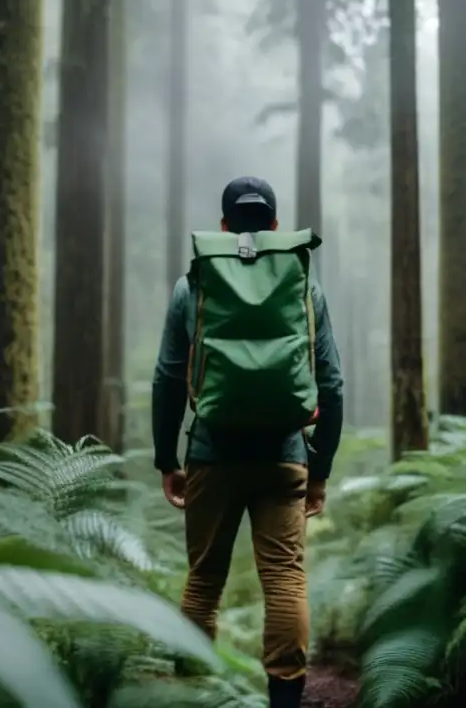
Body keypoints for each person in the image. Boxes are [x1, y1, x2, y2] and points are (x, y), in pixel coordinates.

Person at [151, 176, 344, 708]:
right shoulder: (305, 286)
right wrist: (319, 467)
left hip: (212, 452)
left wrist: (167, 456)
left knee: (203, 582)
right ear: (277, 228)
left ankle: (190, 695)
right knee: (284, 578)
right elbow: (330, 383)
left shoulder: (194, 286)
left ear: (223, 228)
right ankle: (284, 701)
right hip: (284, 455)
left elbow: (168, 377)